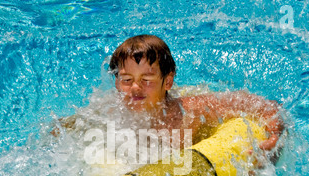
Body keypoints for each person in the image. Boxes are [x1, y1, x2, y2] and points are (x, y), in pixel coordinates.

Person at [53, 34, 284, 159]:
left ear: (168, 82)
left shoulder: (190, 112)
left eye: (146, 80)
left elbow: (265, 106)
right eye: (126, 80)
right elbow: (63, 127)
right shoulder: (108, 113)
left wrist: (274, 137)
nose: (135, 88)